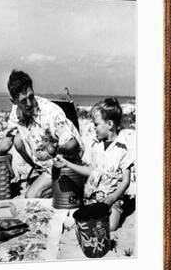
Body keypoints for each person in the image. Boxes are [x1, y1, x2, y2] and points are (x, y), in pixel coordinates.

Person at [0, 70, 82, 198]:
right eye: (23, 100)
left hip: (67, 161)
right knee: (17, 140)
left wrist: (57, 148)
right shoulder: (16, 112)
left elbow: (74, 145)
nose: (28, 104)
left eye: (31, 97)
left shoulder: (51, 113)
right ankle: (46, 176)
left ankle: (72, 182)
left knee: (31, 197)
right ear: (14, 101)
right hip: (44, 162)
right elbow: (9, 137)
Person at [55, 97, 133, 231]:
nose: (93, 127)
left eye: (96, 124)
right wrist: (67, 164)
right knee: (87, 217)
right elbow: (90, 170)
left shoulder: (123, 148)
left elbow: (126, 181)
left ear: (109, 124)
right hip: (92, 197)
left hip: (112, 200)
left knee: (112, 226)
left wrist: (112, 198)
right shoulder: (96, 146)